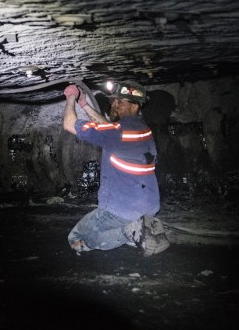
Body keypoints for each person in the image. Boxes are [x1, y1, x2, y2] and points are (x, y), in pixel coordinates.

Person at [62, 80, 170, 256]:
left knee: (76, 238)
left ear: (135, 107)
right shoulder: (142, 129)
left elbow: (69, 124)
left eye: (120, 102)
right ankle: (141, 228)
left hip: (121, 209)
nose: (114, 104)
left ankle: (130, 232)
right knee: (112, 227)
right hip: (149, 205)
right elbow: (108, 128)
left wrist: (71, 97)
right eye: (113, 100)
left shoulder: (117, 133)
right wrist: (85, 105)